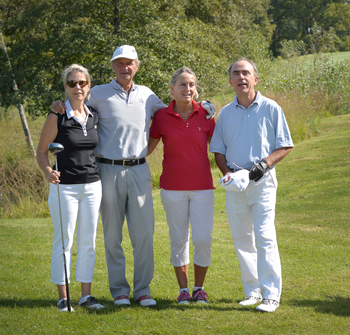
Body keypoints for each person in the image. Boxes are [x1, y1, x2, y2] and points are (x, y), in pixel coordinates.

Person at [51, 46, 215, 307]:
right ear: (113, 66)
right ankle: (119, 291)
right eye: (119, 63)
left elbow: (176, 109)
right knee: (112, 235)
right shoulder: (99, 93)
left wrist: (205, 105)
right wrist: (58, 103)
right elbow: (76, 101)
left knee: (143, 234)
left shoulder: (148, 96)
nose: (124, 67)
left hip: (139, 170)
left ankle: (143, 290)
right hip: (106, 170)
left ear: (137, 66)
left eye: (130, 63)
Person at [209, 57, 294, 313]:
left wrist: (264, 164)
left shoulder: (271, 108)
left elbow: (285, 145)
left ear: (255, 78)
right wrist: (227, 174)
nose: (241, 77)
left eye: (246, 73)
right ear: (230, 81)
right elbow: (218, 151)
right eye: (236, 73)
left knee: (265, 236)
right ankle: (252, 291)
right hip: (236, 183)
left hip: (262, 182)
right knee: (242, 239)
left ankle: (271, 295)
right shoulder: (225, 113)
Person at [36, 64, 104, 311]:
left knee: (89, 242)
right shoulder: (57, 116)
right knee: (64, 241)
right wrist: (47, 172)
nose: (78, 87)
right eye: (72, 83)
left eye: (82, 83)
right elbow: (42, 152)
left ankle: (86, 296)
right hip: (64, 187)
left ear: (88, 86)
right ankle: (63, 298)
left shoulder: (94, 114)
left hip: (92, 186)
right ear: (65, 87)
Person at [148, 67, 216, 305]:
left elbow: (220, 146)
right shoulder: (161, 117)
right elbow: (146, 149)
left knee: (203, 238)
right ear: (172, 89)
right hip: (172, 188)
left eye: (192, 85)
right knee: (179, 238)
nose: (188, 89)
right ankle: (184, 291)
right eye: (183, 85)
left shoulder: (207, 115)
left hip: (203, 188)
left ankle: (199, 288)